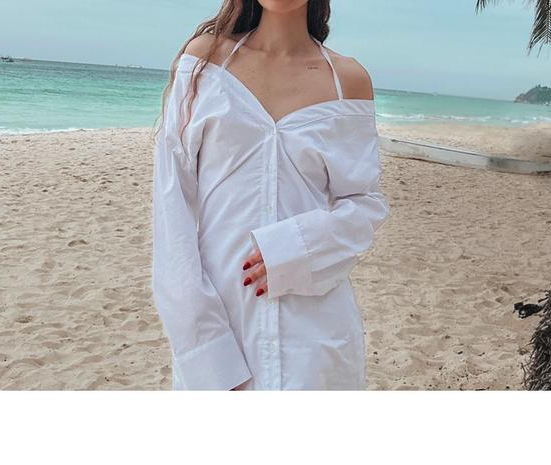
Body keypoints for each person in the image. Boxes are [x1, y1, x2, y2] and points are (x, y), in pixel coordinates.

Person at [151, 0, 391, 390]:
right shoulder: (205, 62)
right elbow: (170, 208)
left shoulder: (347, 80)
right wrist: (206, 350)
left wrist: (297, 247)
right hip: (221, 323)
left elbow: (365, 204)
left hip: (315, 338)